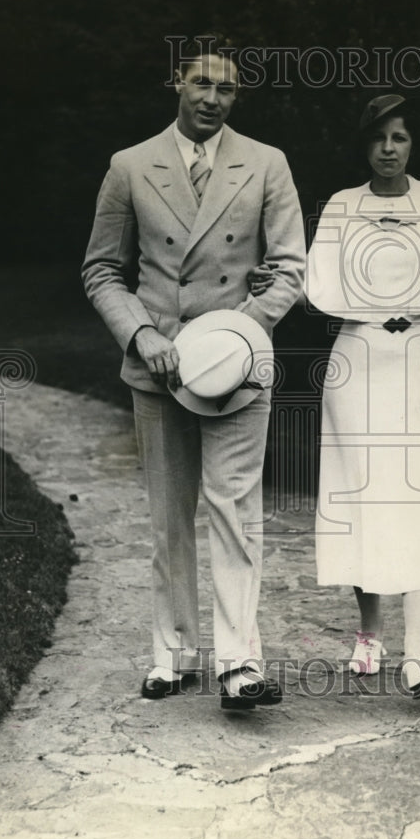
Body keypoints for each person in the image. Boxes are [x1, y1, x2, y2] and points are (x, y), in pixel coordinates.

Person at [82, 37, 306, 710]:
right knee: (169, 517)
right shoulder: (129, 166)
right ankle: (171, 652)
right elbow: (101, 269)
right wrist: (141, 333)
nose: (213, 99)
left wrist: (239, 333)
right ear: (176, 82)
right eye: (202, 83)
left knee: (235, 511)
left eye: (227, 89)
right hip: (157, 368)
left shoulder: (266, 164)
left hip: (237, 370)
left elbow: (291, 267)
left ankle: (239, 663)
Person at [250, 94, 420, 697]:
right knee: (363, 499)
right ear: (364, 146)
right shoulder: (342, 206)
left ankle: (418, 654)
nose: (389, 149)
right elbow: (314, 289)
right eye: (379, 139)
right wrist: (272, 282)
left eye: (400, 138)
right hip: (356, 361)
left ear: (413, 145)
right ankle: (370, 632)